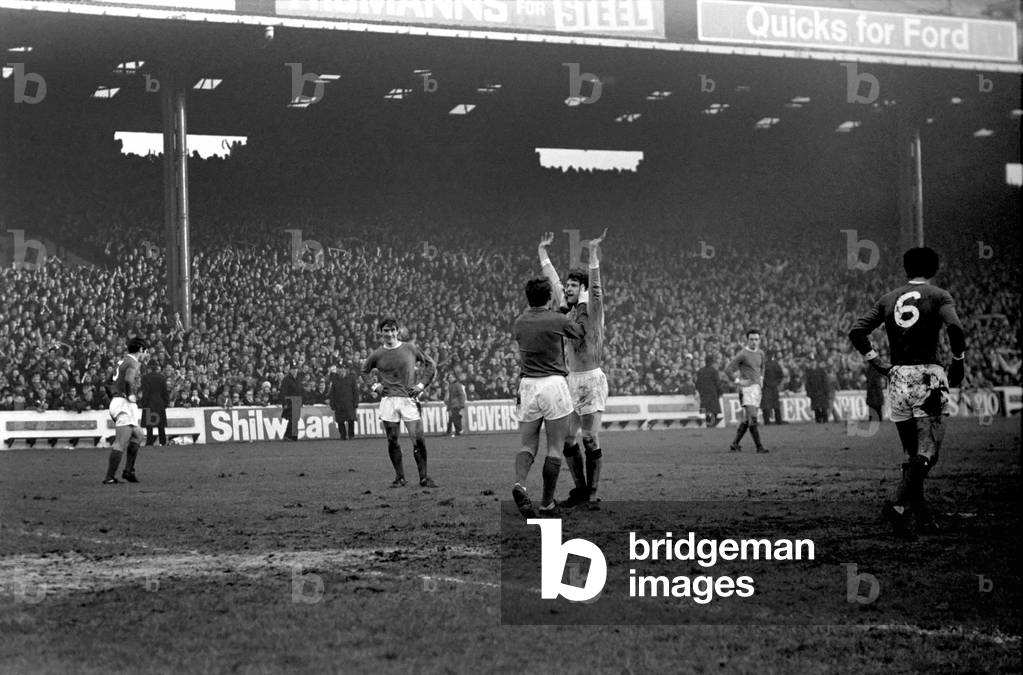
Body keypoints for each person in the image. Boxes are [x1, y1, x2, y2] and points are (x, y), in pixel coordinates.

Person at [849, 246, 966, 539]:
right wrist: (958, 361)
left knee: (910, 452)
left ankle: (918, 515)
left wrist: (876, 362)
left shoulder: (888, 299)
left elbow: (856, 332)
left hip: (898, 376)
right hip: (928, 375)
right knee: (928, 451)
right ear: (934, 268)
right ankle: (897, 503)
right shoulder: (939, 295)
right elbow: (955, 328)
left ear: (906, 269)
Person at [538, 229, 608, 507]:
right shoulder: (566, 306)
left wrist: (592, 255)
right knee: (568, 438)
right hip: (571, 380)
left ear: (583, 289)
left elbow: (598, 289)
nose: (566, 288)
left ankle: (592, 493)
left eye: (572, 286)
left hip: (590, 379)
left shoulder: (592, 309)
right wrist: (542, 251)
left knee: (590, 437)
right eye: (566, 285)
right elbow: (552, 279)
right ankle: (580, 490)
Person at [510, 277, 589, 519]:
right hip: (553, 385)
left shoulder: (520, 322)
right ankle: (546, 503)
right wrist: (583, 304)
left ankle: (520, 485)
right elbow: (580, 332)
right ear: (549, 298)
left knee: (527, 445)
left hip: (527, 385)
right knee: (555, 447)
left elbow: (544, 322)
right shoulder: (557, 319)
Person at [361, 318, 438, 488]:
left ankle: (424, 477)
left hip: (408, 400)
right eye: (385, 331)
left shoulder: (409, 348)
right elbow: (364, 371)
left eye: (392, 330)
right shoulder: (377, 354)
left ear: (398, 331)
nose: (389, 334)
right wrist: (375, 386)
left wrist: (421, 385)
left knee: (418, 440)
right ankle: (400, 477)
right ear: (380, 333)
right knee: (392, 441)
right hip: (388, 401)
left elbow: (430, 365)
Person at [103, 337, 150, 484]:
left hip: (118, 402)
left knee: (139, 435)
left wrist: (114, 397)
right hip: (124, 404)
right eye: (146, 351)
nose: (146, 354)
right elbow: (129, 380)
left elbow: (107, 383)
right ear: (141, 349)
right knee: (120, 442)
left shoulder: (121, 361)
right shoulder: (134, 362)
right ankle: (109, 477)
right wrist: (129, 395)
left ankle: (128, 471)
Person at [725, 329, 769, 453]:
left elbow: (762, 366)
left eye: (756, 339)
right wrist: (738, 381)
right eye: (751, 339)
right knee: (753, 418)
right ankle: (759, 447)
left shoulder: (761, 353)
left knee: (747, 419)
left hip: (756, 390)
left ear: (759, 340)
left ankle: (734, 444)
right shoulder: (743, 354)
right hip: (746, 390)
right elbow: (728, 369)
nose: (754, 342)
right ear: (747, 340)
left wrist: (761, 378)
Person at [327, 363, 360, 440]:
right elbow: (332, 393)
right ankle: (343, 436)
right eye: (339, 369)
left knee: (351, 420)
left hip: (349, 403)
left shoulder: (351, 378)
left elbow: (355, 391)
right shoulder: (335, 380)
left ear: (345, 369)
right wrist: (332, 404)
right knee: (340, 421)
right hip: (339, 404)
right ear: (338, 370)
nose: (341, 370)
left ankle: (351, 435)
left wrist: (356, 402)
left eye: (342, 368)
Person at [140, 361, 170, 446]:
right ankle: (162, 441)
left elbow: (145, 392)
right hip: (160, 402)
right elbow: (165, 392)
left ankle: (150, 442)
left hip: (149, 402)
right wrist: (166, 403)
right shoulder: (162, 378)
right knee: (161, 424)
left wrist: (143, 403)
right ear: (157, 368)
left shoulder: (145, 378)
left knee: (149, 425)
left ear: (149, 368)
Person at [695, 354, 724, 428]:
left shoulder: (700, 371)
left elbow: (697, 384)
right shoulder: (714, 371)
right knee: (714, 411)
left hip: (704, 395)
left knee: (706, 411)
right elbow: (717, 383)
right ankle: (711, 424)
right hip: (713, 394)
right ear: (712, 362)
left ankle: (709, 424)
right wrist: (720, 392)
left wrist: (701, 392)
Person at [280, 362, 303, 441]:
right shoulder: (286, 379)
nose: (295, 371)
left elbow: (300, 390)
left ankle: (291, 435)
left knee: (295, 419)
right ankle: (290, 435)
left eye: (296, 369)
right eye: (293, 369)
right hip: (290, 401)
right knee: (292, 418)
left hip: (297, 401)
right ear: (290, 370)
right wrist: (284, 403)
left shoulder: (298, 379)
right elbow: (282, 392)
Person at [761, 351, 785, 424]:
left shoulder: (764, 365)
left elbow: (760, 375)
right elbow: (781, 375)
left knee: (766, 405)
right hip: (774, 387)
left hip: (766, 387)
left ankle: (767, 421)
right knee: (776, 404)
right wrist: (777, 383)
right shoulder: (776, 364)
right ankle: (778, 420)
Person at [805, 358, 831, 423]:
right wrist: (809, 392)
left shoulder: (821, 370)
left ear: (816, 362)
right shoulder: (809, 372)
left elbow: (825, 381)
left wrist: (826, 391)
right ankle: (818, 419)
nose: (813, 363)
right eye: (811, 362)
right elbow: (807, 384)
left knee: (824, 406)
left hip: (822, 391)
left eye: (814, 361)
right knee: (816, 407)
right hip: (814, 392)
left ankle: (825, 419)